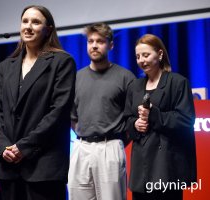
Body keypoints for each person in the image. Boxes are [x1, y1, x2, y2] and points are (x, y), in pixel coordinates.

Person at [0, 5, 76, 200]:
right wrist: (4, 147)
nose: (28, 26)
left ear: (48, 29)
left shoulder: (62, 62)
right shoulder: (6, 65)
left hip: (43, 165)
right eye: (25, 21)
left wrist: (24, 147)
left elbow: (58, 112)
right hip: (9, 165)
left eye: (36, 22)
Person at [124, 34, 197, 200]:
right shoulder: (134, 87)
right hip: (141, 169)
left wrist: (153, 115)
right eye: (137, 56)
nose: (141, 60)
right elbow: (126, 119)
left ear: (160, 54)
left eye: (146, 55)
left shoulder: (178, 82)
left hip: (167, 167)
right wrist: (135, 124)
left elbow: (186, 120)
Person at [67, 22, 136, 200]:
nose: (94, 45)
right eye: (90, 41)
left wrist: (116, 141)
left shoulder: (125, 77)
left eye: (100, 41)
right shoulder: (76, 77)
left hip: (110, 146)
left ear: (111, 45)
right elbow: (72, 118)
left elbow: (133, 119)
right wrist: (87, 137)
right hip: (81, 147)